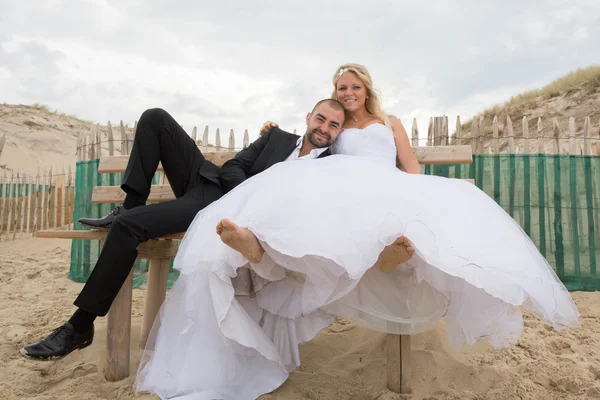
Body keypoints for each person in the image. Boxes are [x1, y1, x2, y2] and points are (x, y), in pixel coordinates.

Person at [134, 63, 579, 400]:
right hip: (338, 191)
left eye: (354, 87)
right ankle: (261, 248)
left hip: (382, 187)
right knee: (312, 217)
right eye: (341, 88)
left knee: (379, 222)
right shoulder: (337, 128)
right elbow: (307, 145)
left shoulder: (391, 124)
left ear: (367, 90)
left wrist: (416, 195)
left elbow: (411, 168)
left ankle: (385, 256)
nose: (347, 93)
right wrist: (275, 130)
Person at [19, 99, 346, 360]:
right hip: (209, 182)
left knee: (127, 227)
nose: (325, 128)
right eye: (321, 119)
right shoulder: (277, 138)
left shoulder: (327, 167)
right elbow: (234, 166)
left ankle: (80, 326)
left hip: (218, 212)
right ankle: (133, 202)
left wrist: (246, 206)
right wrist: (243, 191)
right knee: (155, 117)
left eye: (334, 125)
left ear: (339, 132)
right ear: (308, 117)